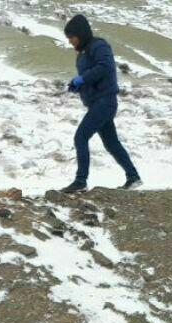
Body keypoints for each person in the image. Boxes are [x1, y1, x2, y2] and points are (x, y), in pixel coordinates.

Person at [62, 14, 141, 193]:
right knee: (111, 143)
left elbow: (105, 67)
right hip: (97, 103)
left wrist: (82, 79)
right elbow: (91, 77)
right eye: (68, 38)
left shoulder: (99, 46)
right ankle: (133, 177)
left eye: (72, 37)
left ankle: (80, 181)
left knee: (80, 137)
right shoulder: (82, 54)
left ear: (81, 34)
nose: (70, 42)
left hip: (105, 101)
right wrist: (78, 86)